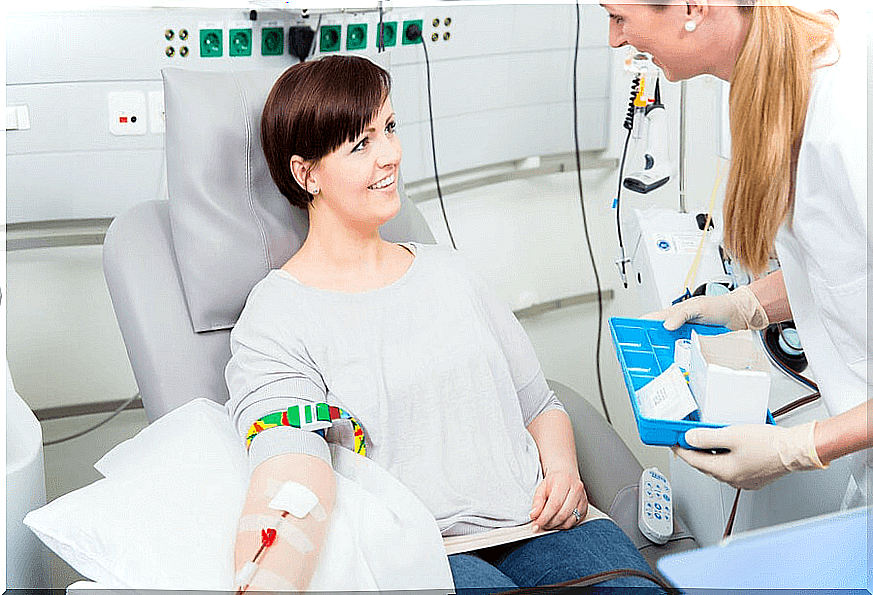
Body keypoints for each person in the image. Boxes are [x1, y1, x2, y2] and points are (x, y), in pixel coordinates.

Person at [224, 55, 660, 593]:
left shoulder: (452, 272)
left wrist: (564, 472)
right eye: (360, 144)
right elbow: (289, 471)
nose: (389, 156)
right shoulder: (276, 314)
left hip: (546, 523)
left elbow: (540, 407)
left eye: (389, 128)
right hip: (420, 548)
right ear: (306, 172)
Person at [600, 0, 869, 499]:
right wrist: (744, 307)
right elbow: (843, 264)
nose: (614, 39)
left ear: (692, 8)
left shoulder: (854, 111)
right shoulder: (759, 81)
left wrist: (799, 447)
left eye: (618, 16)